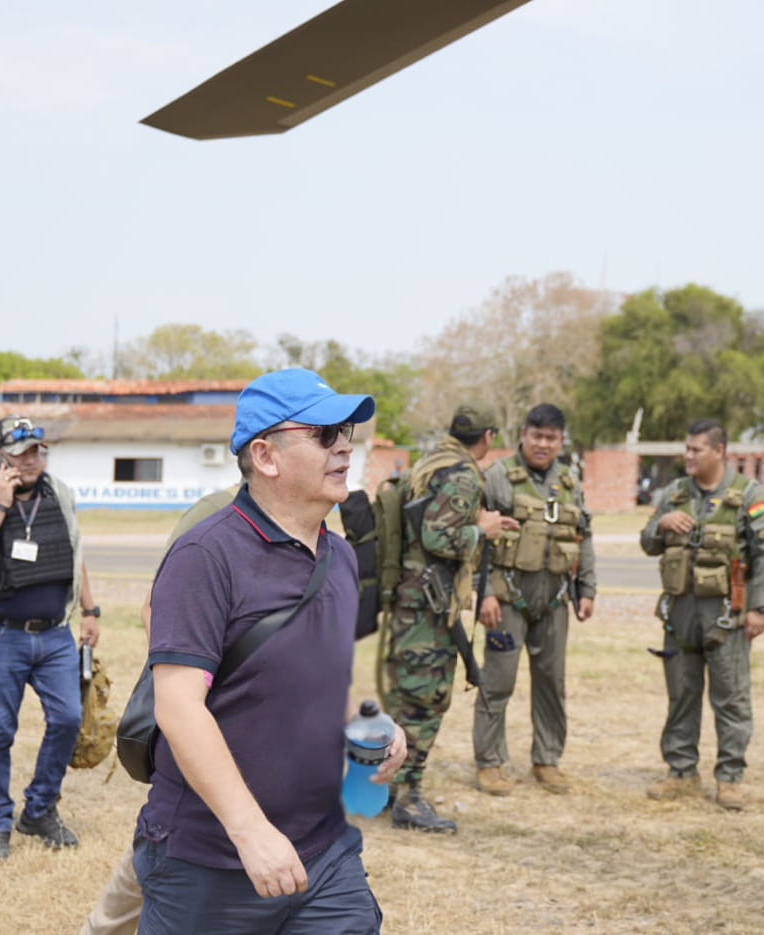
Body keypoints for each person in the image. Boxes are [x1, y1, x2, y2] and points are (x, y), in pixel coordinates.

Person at [135, 368, 406, 934]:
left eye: (348, 432)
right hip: (210, 861)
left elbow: (315, 680)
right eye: (324, 433)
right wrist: (250, 831)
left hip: (326, 856)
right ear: (266, 455)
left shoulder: (341, 556)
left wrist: (364, 726)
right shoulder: (205, 557)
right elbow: (179, 706)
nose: (345, 446)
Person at [79, 484, 239, 935]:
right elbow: (158, 606)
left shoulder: (314, 531)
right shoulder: (217, 512)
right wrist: (192, 681)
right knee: (164, 848)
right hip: (204, 717)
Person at [0, 416, 100, 861]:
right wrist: (0, 506)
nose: (31, 460)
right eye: (20, 453)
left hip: (55, 635)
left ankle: (39, 808)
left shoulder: (60, 493)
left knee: (70, 719)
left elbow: (76, 553)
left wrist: (90, 610)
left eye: (37, 451)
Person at [382, 400, 517, 832]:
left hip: (412, 598)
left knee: (407, 698)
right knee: (425, 701)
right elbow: (438, 536)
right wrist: (484, 530)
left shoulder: (430, 462)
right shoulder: (460, 472)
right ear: (488, 437)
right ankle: (407, 797)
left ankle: (390, 788)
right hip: (428, 606)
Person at [639, 420, 764, 811]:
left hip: (726, 615)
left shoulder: (748, 495)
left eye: (696, 450)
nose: (689, 456)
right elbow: (648, 541)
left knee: (731, 698)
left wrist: (758, 608)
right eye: (687, 449)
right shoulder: (674, 494)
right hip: (680, 613)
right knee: (681, 694)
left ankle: (729, 777)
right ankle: (680, 770)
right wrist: (661, 524)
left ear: (719, 451)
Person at [473, 404, 597, 796]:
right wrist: (485, 593)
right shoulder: (497, 478)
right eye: (537, 435)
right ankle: (490, 762)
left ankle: (547, 759)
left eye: (552, 438)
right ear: (523, 434)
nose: (543, 444)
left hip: (556, 599)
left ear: (562, 441)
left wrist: (587, 589)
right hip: (508, 599)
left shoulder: (570, 481)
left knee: (551, 682)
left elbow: (583, 536)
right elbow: (477, 538)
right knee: (498, 680)